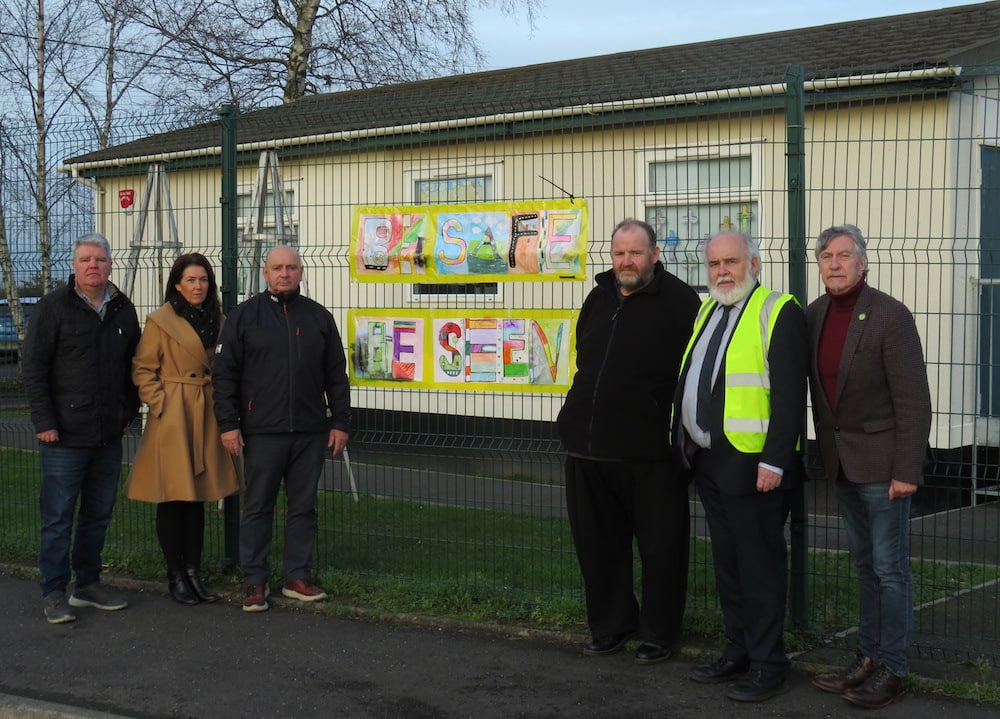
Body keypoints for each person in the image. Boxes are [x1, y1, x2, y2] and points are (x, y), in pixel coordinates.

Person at [556, 219, 700, 664]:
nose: (627, 261)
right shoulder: (598, 298)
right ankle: (611, 624)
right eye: (620, 253)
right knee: (598, 547)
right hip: (588, 445)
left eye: (636, 253)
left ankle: (660, 633)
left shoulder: (680, 302)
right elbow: (585, 356)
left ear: (655, 255)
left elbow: (691, 373)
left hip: (651, 453)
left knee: (661, 549)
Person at [673, 230, 808, 701]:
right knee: (729, 566)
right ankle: (739, 651)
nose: (722, 271)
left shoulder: (779, 310)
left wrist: (775, 461)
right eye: (714, 264)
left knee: (760, 569)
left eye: (731, 261)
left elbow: (790, 396)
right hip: (711, 462)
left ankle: (770, 665)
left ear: (754, 262)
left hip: (756, 469)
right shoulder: (708, 309)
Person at [806, 225, 932, 709]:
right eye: (826, 256)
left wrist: (907, 469)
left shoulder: (890, 316)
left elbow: (914, 402)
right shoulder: (815, 315)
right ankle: (868, 659)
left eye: (844, 255)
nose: (834, 264)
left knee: (890, 569)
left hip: (884, 468)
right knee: (864, 567)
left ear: (863, 262)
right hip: (842, 465)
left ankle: (893, 669)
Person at [213, 244, 351, 612]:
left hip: (309, 431)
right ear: (265, 272)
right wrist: (228, 425)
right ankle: (255, 582)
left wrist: (339, 423)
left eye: (291, 267)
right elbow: (224, 376)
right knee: (258, 507)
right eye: (277, 267)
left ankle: (296, 577)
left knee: (303, 507)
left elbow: (336, 375)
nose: (284, 273)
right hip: (261, 432)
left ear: (301, 272)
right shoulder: (244, 317)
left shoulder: (319, 318)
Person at [23, 233, 140, 624]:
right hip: (63, 436)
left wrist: (128, 412)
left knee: (97, 515)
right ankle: (54, 592)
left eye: (101, 259)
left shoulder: (123, 309)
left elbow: (133, 369)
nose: (94, 265)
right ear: (74, 265)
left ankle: (87, 585)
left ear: (110, 264)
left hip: (108, 435)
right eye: (86, 259)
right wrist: (44, 423)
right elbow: (34, 370)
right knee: (58, 518)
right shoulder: (52, 308)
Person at [124, 253, 243, 605]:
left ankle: (194, 572)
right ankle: (175, 574)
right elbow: (143, 369)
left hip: (206, 413)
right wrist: (161, 404)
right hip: (173, 418)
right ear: (177, 283)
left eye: (203, 279)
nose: (198, 286)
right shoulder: (160, 321)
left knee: (198, 498)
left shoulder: (220, 321)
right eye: (190, 280)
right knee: (173, 496)